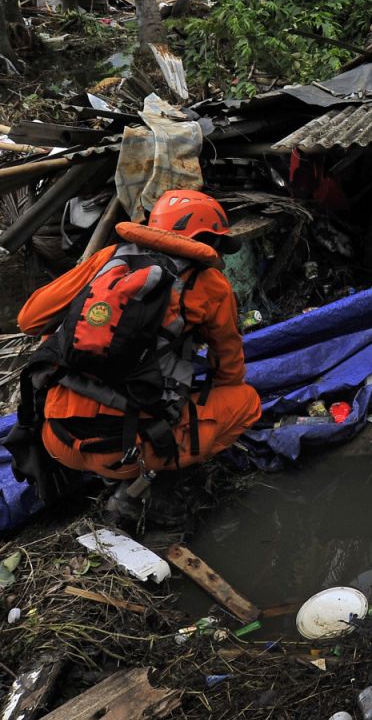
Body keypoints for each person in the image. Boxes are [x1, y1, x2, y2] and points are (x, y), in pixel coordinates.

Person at [8, 189, 261, 522]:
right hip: (126, 451)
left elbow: (29, 320)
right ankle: (134, 492)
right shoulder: (212, 286)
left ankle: (108, 474)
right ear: (205, 238)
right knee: (245, 402)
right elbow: (229, 371)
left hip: (55, 440)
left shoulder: (108, 259)